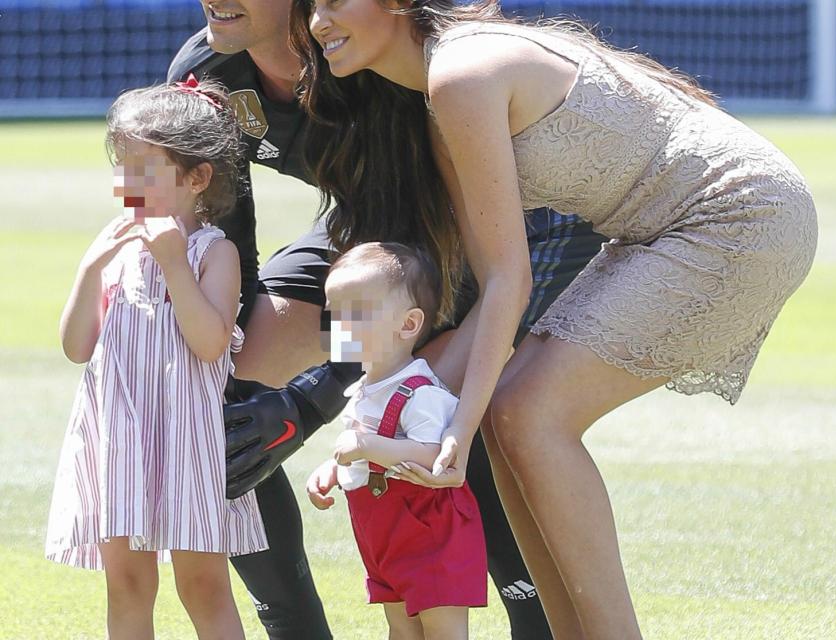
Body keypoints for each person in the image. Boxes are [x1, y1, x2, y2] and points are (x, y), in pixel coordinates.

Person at [290, 2, 819, 638]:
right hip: (658, 231)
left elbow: (511, 279)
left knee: (528, 411)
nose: (318, 20)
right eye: (311, 4)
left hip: (738, 216)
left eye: (335, 0)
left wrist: (455, 428)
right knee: (507, 409)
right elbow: (497, 283)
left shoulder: (461, 73)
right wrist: (462, 423)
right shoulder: (441, 100)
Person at [167, 2, 607, 638]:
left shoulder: (371, 55)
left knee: (461, 397)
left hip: (518, 222)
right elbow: (228, 251)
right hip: (373, 220)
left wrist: (307, 404)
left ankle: (534, 619)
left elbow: (415, 286)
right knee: (218, 393)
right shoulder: (206, 70)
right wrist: (229, 373)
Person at [44, 80, 268, 640]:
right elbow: (76, 347)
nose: (126, 183)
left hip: (186, 440)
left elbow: (210, 342)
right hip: (119, 437)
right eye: (121, 166)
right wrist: (88, 271)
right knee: (126, 584)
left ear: (197, 179)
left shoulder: (212, 251)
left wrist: (172, 263)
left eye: (144, 169)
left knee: (203, 585)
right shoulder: (115, 248)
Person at [308, 242, 487, 639]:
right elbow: (358, 450)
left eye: (354, 314)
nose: (337, 326)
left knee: (442, 629)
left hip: (432, 535)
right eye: (332, 313)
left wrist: (367, 447)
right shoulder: (364, 388)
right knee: (400, 628)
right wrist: (333, 470)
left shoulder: (420, 393)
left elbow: (433, 456)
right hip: (385, 536)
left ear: (407, 325)